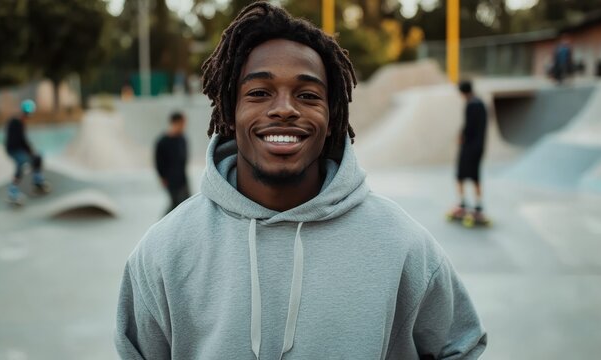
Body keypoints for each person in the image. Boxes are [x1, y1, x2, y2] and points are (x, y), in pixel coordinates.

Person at [114, 3, 487, 359]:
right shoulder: (164, 252)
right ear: (230, 111)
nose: (284, 109)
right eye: (259, 93)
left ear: (332, 117)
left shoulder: (404, 246)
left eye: (307, 95)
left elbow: (461, 345)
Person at [450, 80, 488, 223]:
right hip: (479, 147)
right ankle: (478, 206)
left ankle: (462, 203)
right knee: (476, 176)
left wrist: (461, 137)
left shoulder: (470, 104)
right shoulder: (481, 103)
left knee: (460, 175)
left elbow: (468, 127)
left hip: (468, 147)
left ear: (463, 92)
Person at [5, 99, 49, 204]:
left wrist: (30, 151)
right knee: (22, 163)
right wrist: (30, 150)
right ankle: (13, 190)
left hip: (15, 148)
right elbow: (21, 140)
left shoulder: (17, 121)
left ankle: (37, 182)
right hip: (13, 149)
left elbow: (22, 140)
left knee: (37, 158)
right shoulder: (17, 122)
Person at [154, 112, 190, 214]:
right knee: (174, 204)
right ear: (175, 123)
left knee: (188, 203)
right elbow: (158, 162)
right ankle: (162, 226)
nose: (184, 126)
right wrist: (162, 177)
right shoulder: (162, 141)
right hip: (170, 180)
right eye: (182, 123)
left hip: (182, 178)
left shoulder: (182, 139)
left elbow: (184, 159)